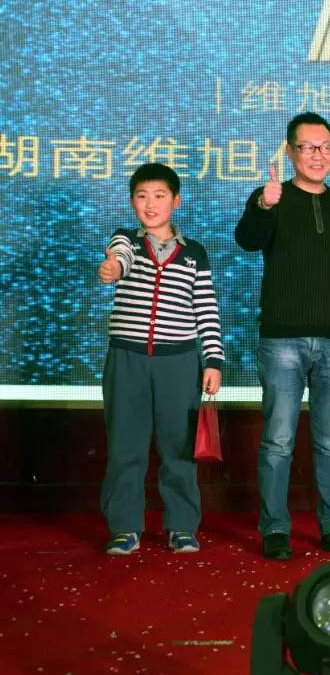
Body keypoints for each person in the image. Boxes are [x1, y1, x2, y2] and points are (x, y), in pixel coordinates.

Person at [235, 112, 330, 561]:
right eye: (308, 147)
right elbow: (246, 240)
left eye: (326, 147)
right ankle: (275, 529)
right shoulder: (272, 197)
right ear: (291, 151)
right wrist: (263, 205)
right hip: (282, 340)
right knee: (278, 440)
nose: (319, 155)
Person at [98, 162, 223, 555]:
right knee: (125, 447)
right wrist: (113, 268)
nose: (150, 205)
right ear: (132, 201)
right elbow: (119, 258)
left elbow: (206, 309)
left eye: (159, 196)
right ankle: (124, 528)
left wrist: (214, 360)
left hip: (179, 363)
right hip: (127, 359)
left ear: (176, 201)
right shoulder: (126, 241)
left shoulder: (194, 253)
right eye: (141, 196)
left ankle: (182, 527)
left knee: (179, 449)